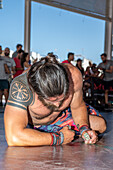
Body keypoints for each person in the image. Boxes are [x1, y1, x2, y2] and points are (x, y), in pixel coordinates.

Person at [4, 55, 106, 146]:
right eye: (51, 101)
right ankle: (53, 133)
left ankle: (70, 131)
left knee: (100, 125)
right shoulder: (21, 86)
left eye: (61, 99)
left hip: (61, 117)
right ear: (37, 90)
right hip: (35, 125)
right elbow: (13, 137)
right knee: (22, 138)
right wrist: (58, 138)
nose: (57, 106)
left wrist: (84, 128)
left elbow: (77, 106)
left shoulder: (73, 75)